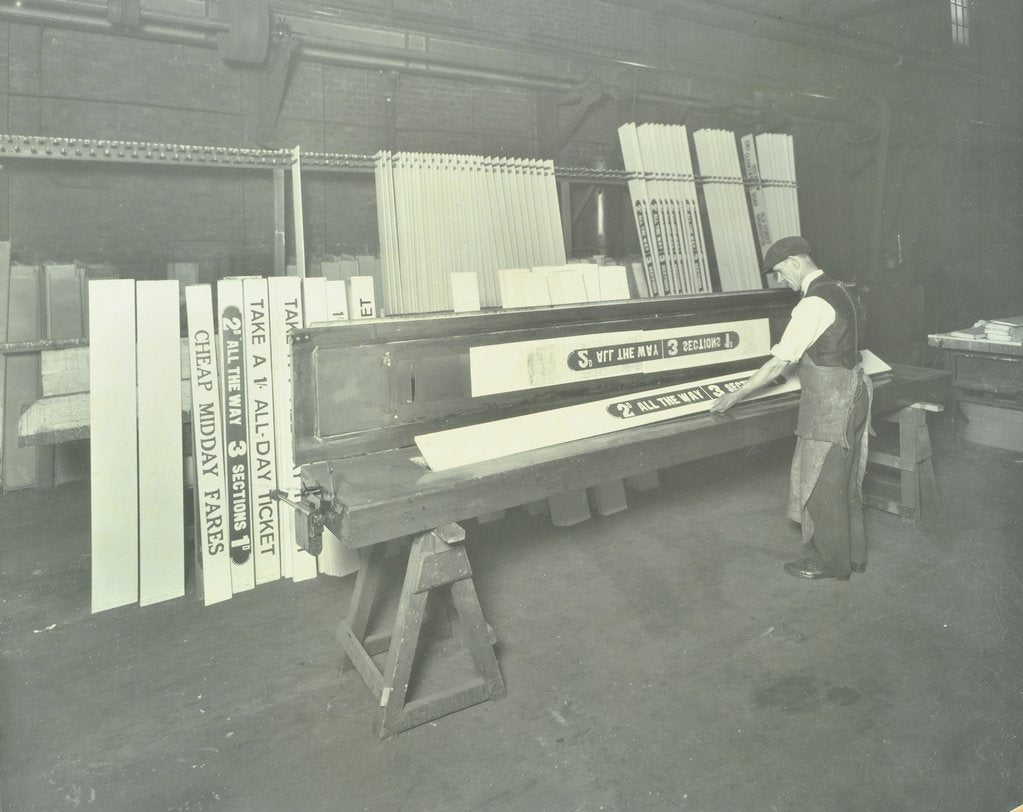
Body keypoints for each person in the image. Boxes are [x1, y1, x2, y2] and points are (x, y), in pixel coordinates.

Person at [709, 236, 871, 581]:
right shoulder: (843, 290)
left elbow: (777, 364)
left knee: (821, 485)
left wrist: (734, 396)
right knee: (847, 483)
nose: (782, 280)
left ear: (796, 262)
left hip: (830, 405)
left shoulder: (811, 304)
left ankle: (831, 563)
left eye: (781, 272)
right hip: (854, 395)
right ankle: (854, 556)